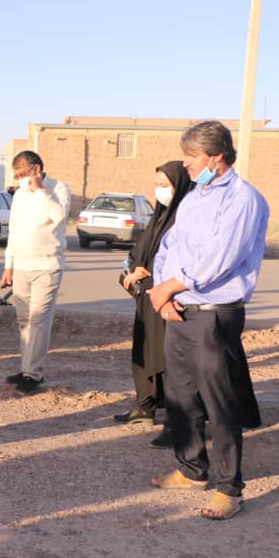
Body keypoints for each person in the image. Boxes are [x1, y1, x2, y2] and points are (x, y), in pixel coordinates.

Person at [149, 120, 269, 521]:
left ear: (216, 157)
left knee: (219, 402)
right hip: (179, 308)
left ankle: (229, 488)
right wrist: (163, 291)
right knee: (180, 397)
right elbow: (169, 245)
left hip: (214, 315)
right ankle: (191, 470)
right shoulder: (195, 198)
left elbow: (220, 259)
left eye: (191, 157)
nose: (185, 165)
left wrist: (170, 289)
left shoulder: (243, 200)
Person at [112, 161, 194, 451]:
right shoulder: (160, 215)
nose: (160, 191)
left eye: (165, 185)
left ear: (180, 186)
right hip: (146, 296)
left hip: (169, 298)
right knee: (144, 352)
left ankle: (175, 421)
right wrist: (134, 269)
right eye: (157, 184)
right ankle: (144, 406)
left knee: (169, 361)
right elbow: (143, 250)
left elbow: (176, 255)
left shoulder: (184, 216)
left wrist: (148, 271)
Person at [0, 150, 70, 394]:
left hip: (47, 265)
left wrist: (40, 190)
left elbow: (59, 217)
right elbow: (15, 231)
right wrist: (8, 265)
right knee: (24, 321)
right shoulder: (19, 195)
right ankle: (26, 368)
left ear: (37, 169)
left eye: (23, 174)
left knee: (39, 320)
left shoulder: (58, 189)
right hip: (21, 265)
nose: (20, 179)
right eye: (17, 175)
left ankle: (33, 374)